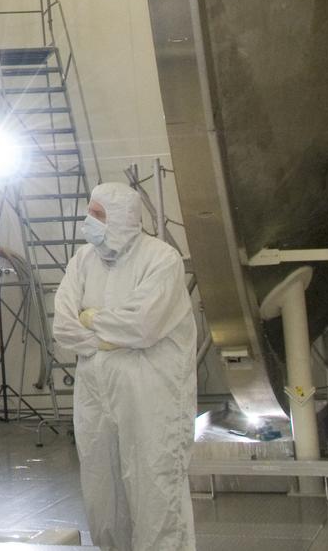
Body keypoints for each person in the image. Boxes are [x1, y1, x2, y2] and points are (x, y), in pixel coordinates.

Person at [52, 182, 197, 551]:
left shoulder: (161, 259)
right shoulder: (82, 260)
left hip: (151, 392)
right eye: (89, 212)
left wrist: (94, 320)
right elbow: (64, 327)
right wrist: (107, 335)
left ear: (120, 218)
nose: (89, 221)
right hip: (94, 389)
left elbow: (143, 325)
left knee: (154, 483)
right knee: (102, 488)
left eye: (97, 214)